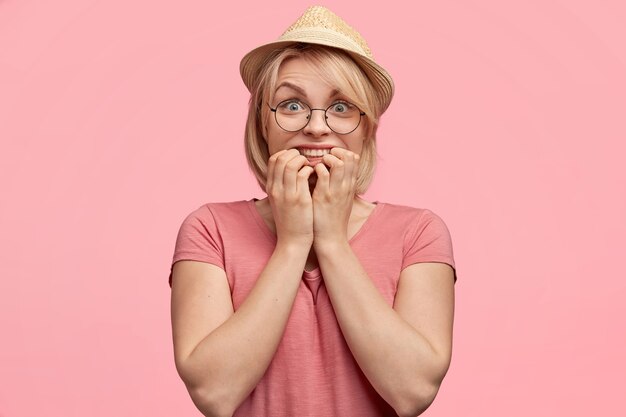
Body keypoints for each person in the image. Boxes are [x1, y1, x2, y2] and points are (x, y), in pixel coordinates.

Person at [168, 6, 458, 417]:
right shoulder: (210, 229)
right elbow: (215, 393)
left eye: (341, 108)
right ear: (261, 125)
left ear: (367, 128)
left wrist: (333, 242)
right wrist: (293, 242)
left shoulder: (419, 232)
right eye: (291, 105)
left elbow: (412, 392)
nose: (317, 127)